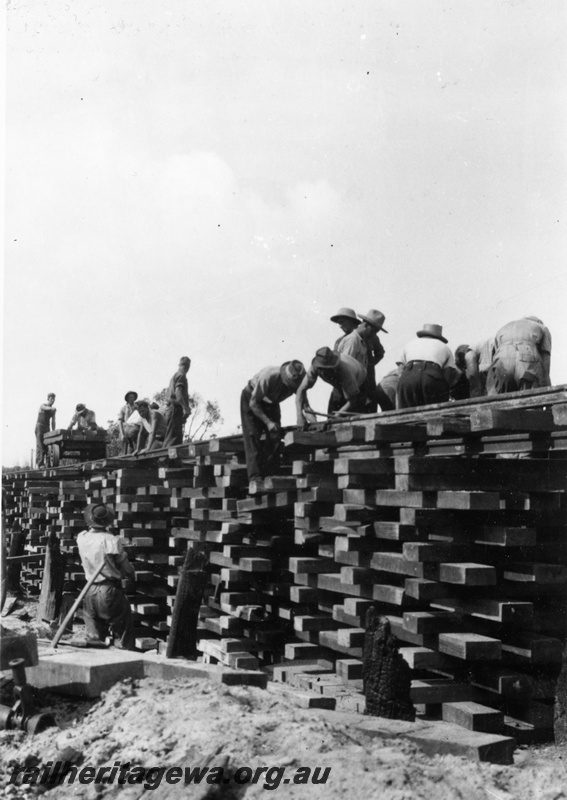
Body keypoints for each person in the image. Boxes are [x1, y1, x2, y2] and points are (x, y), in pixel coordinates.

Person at [76, 503, 135, 649]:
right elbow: (128, 570)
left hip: (89, 590)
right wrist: (131, 574)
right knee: (123, 633)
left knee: (95, 639)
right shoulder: (111, 540)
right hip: (109, 590)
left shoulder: (82, 538)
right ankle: (124, 663)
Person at [241, 360, 306, 483]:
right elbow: (253, 403)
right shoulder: (269, 377)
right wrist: (268, 422)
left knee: (276, 435)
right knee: (252, 436)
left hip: (272, 402)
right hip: (252, 399)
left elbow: (303, 400)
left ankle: (272, 475)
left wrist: (302, 416)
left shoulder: (300, 379)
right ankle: (255, 479)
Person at [296, 347, 367, 424]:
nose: (324, 372)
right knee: (331, 417)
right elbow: (300, 390)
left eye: (327, 369)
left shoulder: (345, 371)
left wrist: (335, 417)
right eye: (322, 369)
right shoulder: (315, 367)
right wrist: (300, 415)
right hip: (339, 385)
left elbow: (352, 401)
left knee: (353, 421)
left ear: (333, 366)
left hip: (360, 383)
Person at [398, 324, 460, 409]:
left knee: (407, 413)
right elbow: (448, 374)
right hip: (432, 376)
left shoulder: (409, 344)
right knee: (435, 412)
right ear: (439, 337)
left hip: (408, 376)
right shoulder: (444, 347)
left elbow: (400, 370)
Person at [486, 316, 552, 395]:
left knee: (504, 399)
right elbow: (545, 366)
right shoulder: (542, 328)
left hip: (502, 361)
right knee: (530, 400)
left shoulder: (504, 328)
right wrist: (548, 391)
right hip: (527, 360)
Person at [164, 356, 192, 447]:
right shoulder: (181, 375)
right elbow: (178, 393)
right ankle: (167, 460)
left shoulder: (175, 376)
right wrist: (185, 408)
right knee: (173, 440)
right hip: (175, 409)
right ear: (188, 366)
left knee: (172, 437)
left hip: (171, 409)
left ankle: (168, 460)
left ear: (179, 364)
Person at [35, 393, 57, 467]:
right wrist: (52, 408)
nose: (53, 400)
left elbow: (53, 421)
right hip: (40, 426)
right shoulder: (43, 405)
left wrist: (54, 431)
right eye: (51, 398)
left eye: (54, 399)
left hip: (47, 427)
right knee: (40, 445)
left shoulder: (52, 410)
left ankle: (47, 463)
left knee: (47, 445)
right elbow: (45, 408)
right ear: (48, 399)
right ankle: (40, 463)